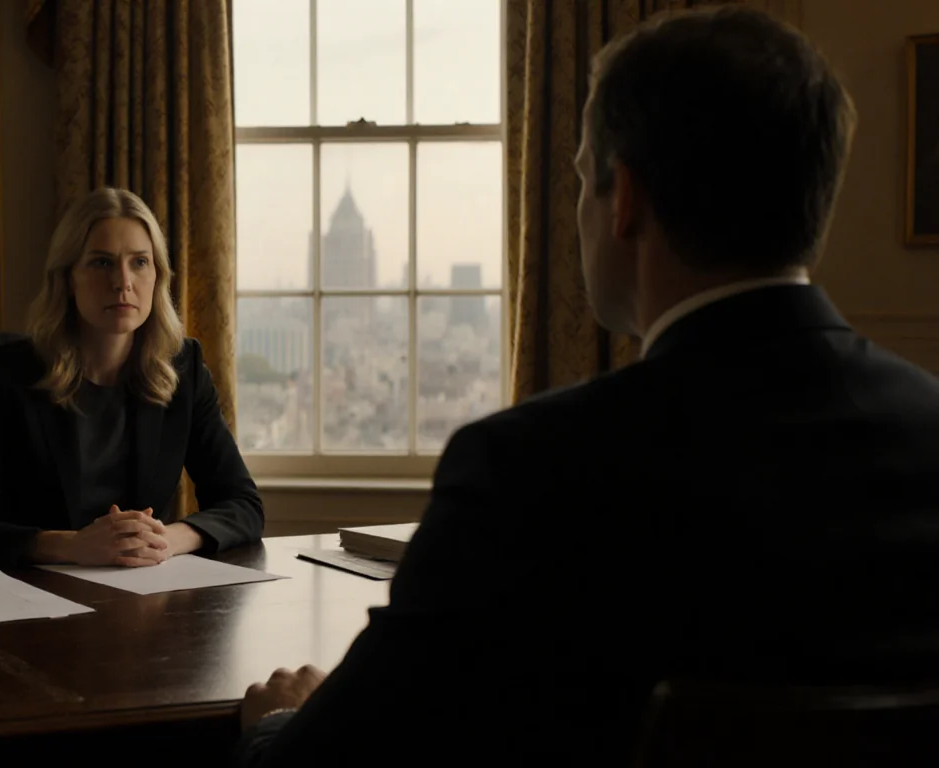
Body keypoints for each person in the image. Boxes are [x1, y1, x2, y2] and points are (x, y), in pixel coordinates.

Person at [236, 7, 939, 766]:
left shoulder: (526, 471)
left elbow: (329, 766)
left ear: (624, 199)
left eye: (579, 180)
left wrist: (277, 725)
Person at [0, 187, 263, 572]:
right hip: (35, 592)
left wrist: (166, 539)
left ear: (157, 276)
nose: (123, 282)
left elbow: (243, 505)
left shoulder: (183, 369)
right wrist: (70, 545)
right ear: (68, 278)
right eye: (102, 262)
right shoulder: (8, 374)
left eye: (140, 262)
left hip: (142, 590)